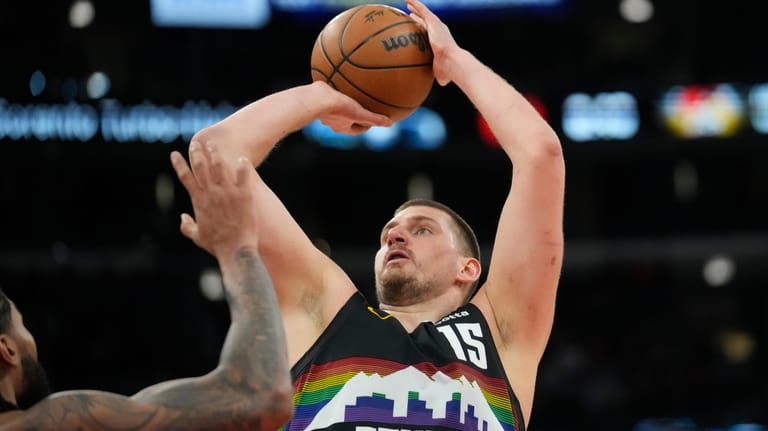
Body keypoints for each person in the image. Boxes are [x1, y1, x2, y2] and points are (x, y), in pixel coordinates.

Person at [188, 0, 565, 429]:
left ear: (469, 268)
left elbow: (541, 156)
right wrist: (321, 95)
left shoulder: (503, 331)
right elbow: (214, 153)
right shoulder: (323, 312)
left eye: (422, 229)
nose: (395, 237)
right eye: (390, 232)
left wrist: (454, 61)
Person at [0, 146, 294, 431]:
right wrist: (236, 247)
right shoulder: (56, 420)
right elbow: (262, 398)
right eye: (22, 326)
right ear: (7, 349)